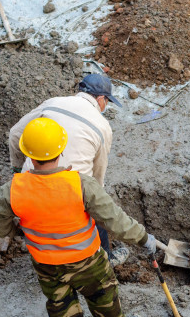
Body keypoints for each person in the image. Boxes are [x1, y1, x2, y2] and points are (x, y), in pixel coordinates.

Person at [0, 117, 157, 317]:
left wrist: (15, 230)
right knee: (104, 296)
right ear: (61, 149)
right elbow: (114, 221)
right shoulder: (80, 184)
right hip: (88, 262)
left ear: (27, 154)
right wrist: (143, 238)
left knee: (60, 305)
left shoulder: (12, 190)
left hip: (46, 265)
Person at [7, 73, 129, 265]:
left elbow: (15, 135)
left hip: (31, 185)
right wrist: (97, 200)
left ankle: (41, 250)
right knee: (96, 206)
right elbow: (98, 175)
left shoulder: (52, 103)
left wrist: (17, 171)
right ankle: (106, 259)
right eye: (107, 101)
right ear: (100, 99)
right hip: (69, 192)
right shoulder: (102, 126)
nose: (106, 106)